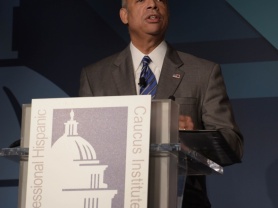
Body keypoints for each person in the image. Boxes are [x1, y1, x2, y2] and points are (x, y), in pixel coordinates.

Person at [79, 0, 244, 207]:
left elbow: (233, 145)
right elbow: (84, 144)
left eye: (160, 0)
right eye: (141, 0)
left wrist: (192, 137)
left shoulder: (204, 72)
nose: (152, 5)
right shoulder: (95, 76)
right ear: (124, 15)